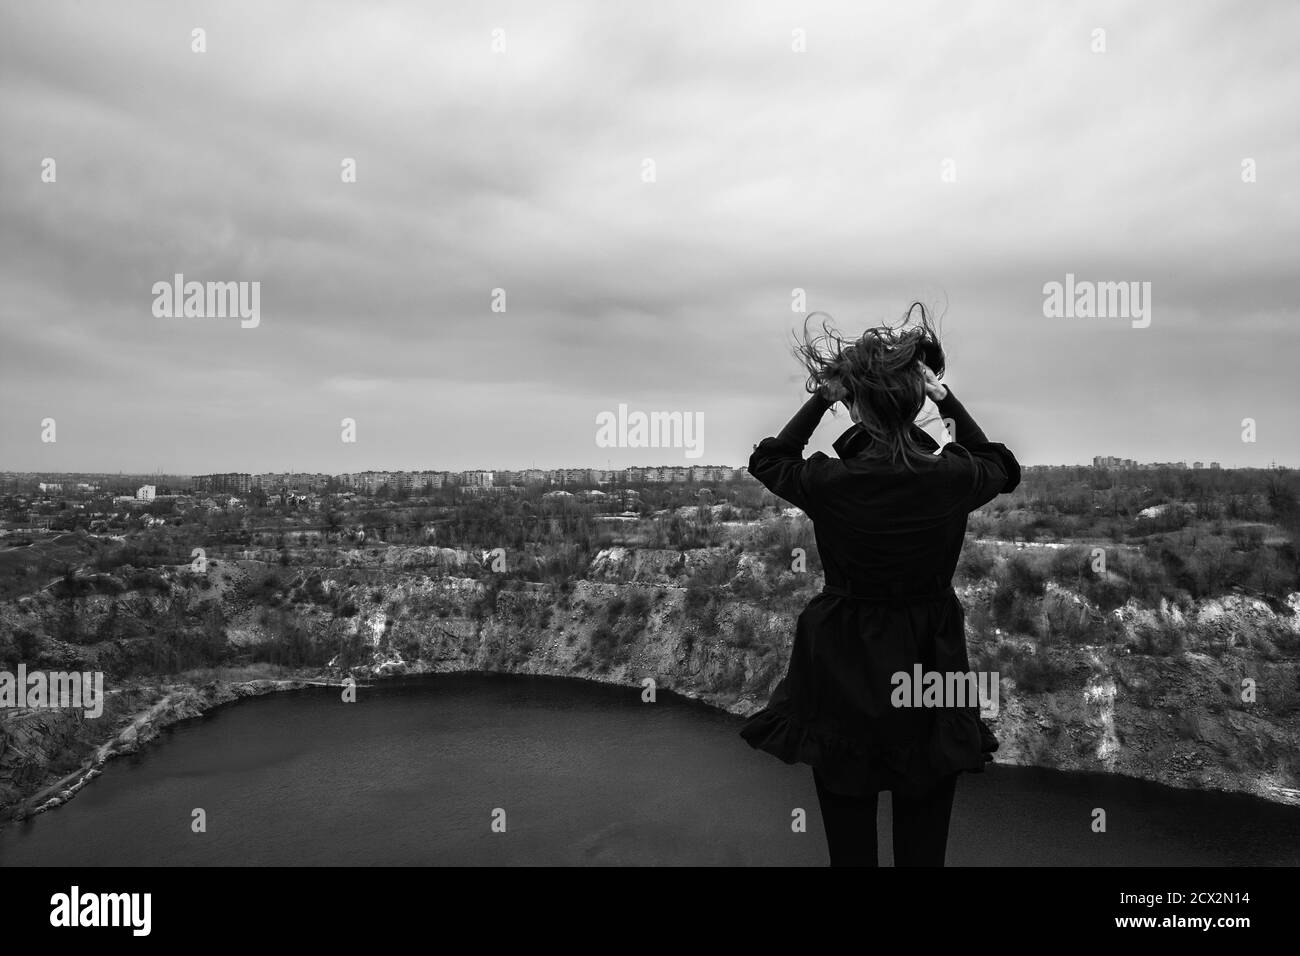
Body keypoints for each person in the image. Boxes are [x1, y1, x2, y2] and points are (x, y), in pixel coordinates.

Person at [739, 302, 1020, 866]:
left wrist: (822, 395)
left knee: (850, 854)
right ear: (917, 399)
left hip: (841, 663)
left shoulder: (831, 481)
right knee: (924, 854)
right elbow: (1001, 463)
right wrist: (945, 398)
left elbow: (770, 459)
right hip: (931, 662)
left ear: (855, 404)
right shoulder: (953, 477)